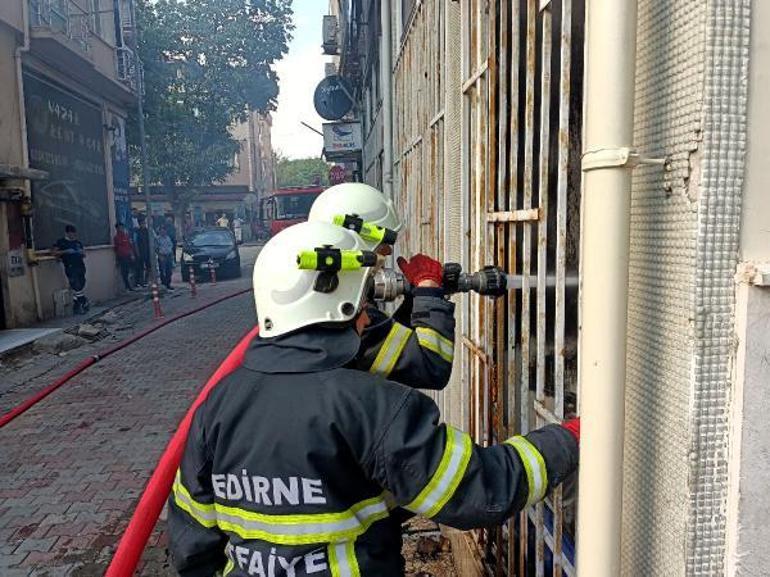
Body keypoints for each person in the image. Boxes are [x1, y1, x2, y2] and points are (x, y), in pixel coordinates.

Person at [168, 221, 580, 576]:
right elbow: (481, 489)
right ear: (340, 300)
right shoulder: (371, 406)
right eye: (365, 301)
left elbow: (192, 544)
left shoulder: (218, 405)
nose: (368, 314)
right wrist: (570, 438)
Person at [309, 183, 455, 391]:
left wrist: (417, 299)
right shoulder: (345, 314)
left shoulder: (322, 297)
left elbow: (392, 344)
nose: (386, 253)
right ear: (355, 240)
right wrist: (428, 289)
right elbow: (431, 367)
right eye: (381, 246)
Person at [53, 225, 89, 315]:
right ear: (67, 233)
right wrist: (65, 251)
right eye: (71, 233)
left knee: (80, 285)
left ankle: (76, 306)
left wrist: (81, 252)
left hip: (80, 265)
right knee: (75, 284)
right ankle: (84, 301)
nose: (73, 235)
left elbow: (84, 254)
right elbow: (54, 252)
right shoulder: (61, 242)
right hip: (70, 266)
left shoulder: (77, 242)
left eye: (74, 233)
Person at [113, 223, 135, 291]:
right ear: (117, 229)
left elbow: (130, 246)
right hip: (122, 256)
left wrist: (132, 254)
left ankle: (131, 285)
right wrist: (117, 259)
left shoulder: (126, 236)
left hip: (128, 255)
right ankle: (127, 286)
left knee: (130, 271)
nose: (121, 229)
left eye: (122, 227)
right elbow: (116, 248)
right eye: (120, 228)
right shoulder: (116, 237)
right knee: (124, 272)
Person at [156, 225, 175, 290]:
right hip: (162, 256)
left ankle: (168, 284)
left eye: (164, 231)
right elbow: (156, 248)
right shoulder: (158, 239)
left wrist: (172, 255)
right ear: (160, 232)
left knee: (169, 271)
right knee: (162, 271)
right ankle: (164, 284)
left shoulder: (168, 238)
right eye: (161, 231)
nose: (163, 232)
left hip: (169, 255)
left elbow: (171, 246)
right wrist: (159, 255)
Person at [135, 217, 151, 287]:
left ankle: (146, 281)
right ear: (139, 224)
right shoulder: (137, 232)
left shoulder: (147, 231)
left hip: (147, 252)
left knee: (148, 267)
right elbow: (136, 243)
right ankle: (140, 281)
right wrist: (137, 252)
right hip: (141, 252)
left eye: (144, 223)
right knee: (140, 268)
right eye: (142, 223)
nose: (144, 225)